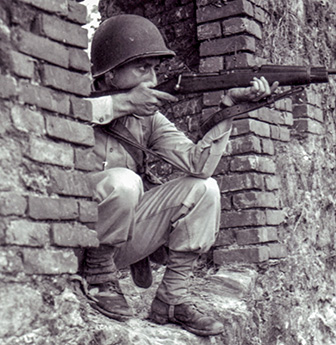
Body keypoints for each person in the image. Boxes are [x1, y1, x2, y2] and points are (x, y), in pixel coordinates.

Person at [83, 14, 278, 336]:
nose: (152, 77)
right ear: (110, 74)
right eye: (141, 67)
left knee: (204, 188)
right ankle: (98, 279)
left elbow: (199, 165)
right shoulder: (70, 101)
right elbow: (61, 113)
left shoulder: (149, 119)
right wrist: (122, 103)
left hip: (120, 240)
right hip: (71, 240)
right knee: (123, 181)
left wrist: (229, 105)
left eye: (154, 68)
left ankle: (172, 299)